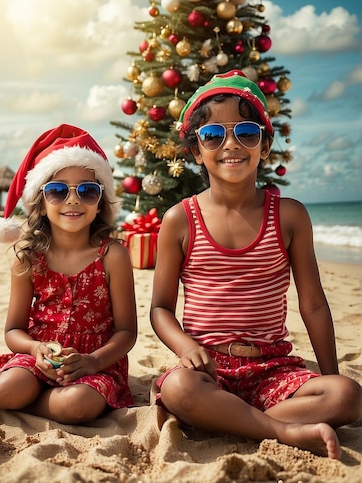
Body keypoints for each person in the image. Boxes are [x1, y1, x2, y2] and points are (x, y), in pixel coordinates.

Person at [150, 70, 361, 460]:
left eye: (246, 133)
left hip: (272, 369)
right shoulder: (180, 219)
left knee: (347, 395)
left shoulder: (290, 216)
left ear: (264, 146)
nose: (231, 144)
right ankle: (281, 429)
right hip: (208, 370)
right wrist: (184, 346)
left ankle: (234, 419)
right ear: (197, 151)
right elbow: (160, 309)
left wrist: (329, 374)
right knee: (180, 389)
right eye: (214, 135)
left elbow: (313, 304)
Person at [0, 124, 137, 425]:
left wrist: (92, 361)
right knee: (13, 386)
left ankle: (21, 401)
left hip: (96, 366)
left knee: (76, 406)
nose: (73, 200)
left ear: (100, 202)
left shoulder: (113, 255)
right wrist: (35, 349)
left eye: (87, 191)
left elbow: (127, 332)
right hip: (37, 359)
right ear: (41, 201)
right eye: (58, 191)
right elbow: (13, 331)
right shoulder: (29, 259)